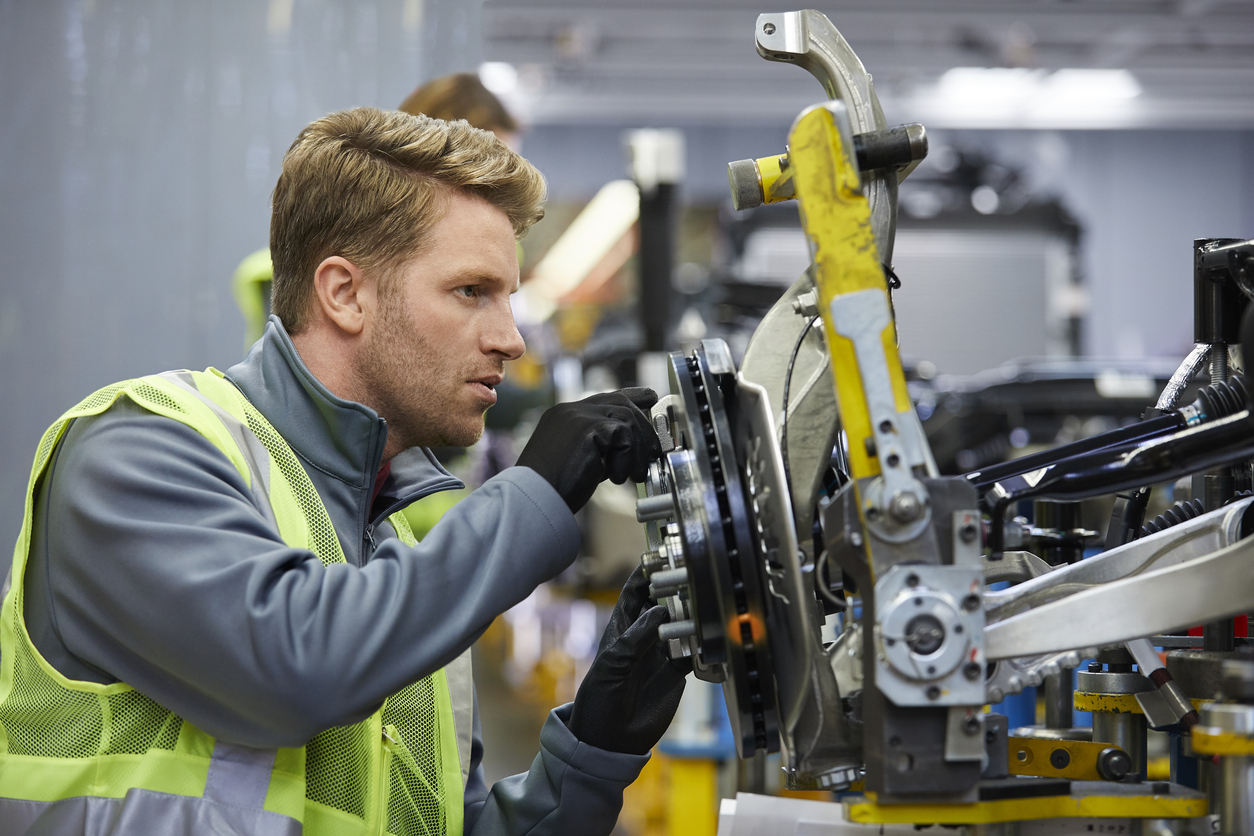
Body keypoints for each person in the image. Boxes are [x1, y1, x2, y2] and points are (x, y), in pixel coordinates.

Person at [0, 107, 687, 835]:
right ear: (344, 293)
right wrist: (536, 492)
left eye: (508, 298)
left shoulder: (399, 577)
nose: (510, 338)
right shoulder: (134, 454)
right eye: (471, 292)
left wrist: (595, 746)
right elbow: (293, 666)